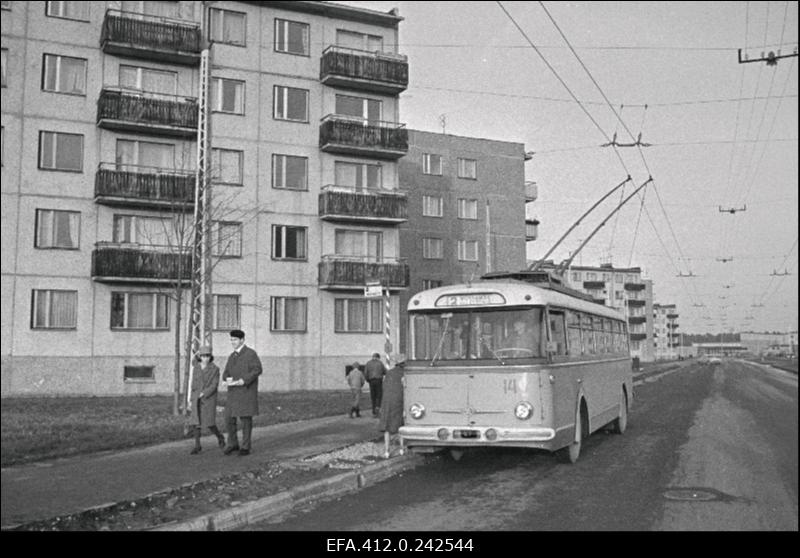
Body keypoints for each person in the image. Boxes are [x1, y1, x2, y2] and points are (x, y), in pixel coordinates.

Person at [221, 329, 263, 456]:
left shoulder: (250, 354)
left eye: (235, 340)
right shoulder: (232, 356)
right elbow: (226, 372)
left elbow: (257, 370)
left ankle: (245, 446)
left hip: (246, 391)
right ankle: (233, 443)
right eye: (231, 340)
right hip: (233, 393)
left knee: (245, 420)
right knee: (229, 419)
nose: (232, 342)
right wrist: (225, 379)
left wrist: (244, 381)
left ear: (242, 340)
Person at [189, 345, 226, 454]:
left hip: (208, 398)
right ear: (200, 356)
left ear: (211, 357)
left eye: (208, 356)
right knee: (196, 422)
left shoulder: (215, 369)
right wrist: (192, 397)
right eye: (204, 356)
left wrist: (204, 393)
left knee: (209, 423)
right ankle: (197, 445)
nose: (206, 358)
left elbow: (214, 385)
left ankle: (220, 437)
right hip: (197, 398)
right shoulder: (196, 367)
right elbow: (193, 383)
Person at [379, 353, 406, 459]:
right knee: (401, 426)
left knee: (387, 427)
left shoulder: (389, 373)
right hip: (399, 401)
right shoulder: (405, 373)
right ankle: (402, 448)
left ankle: (386, 451)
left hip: (387, 402)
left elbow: (384, 387)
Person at [364, 352, 387, 417]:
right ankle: (378, 407)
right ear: (378, 357)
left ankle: (373, 410)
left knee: (373, 396)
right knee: (379, 395)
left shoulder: (368, 363)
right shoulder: (380, 363)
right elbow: (385, 371)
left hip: (371, 381)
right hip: (379, 380)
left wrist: (367, 380)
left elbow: (365, 373)